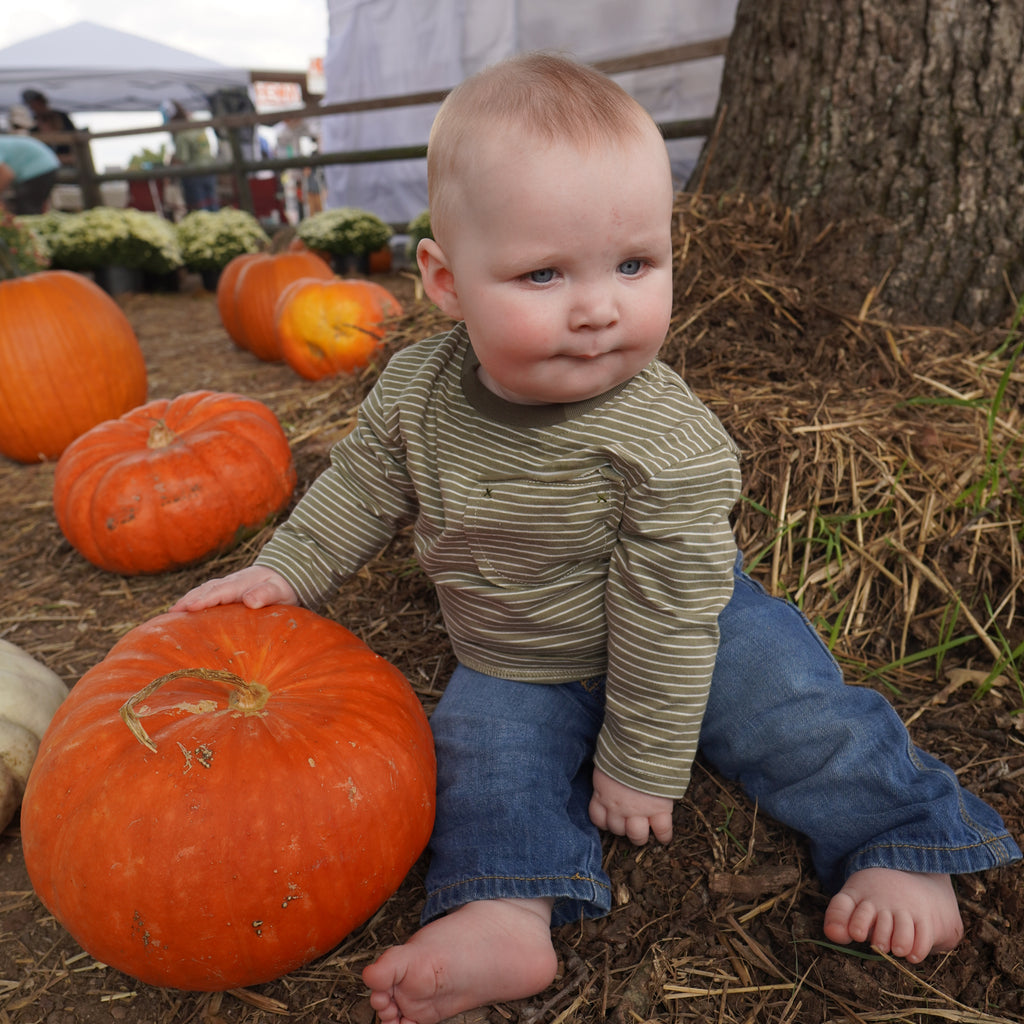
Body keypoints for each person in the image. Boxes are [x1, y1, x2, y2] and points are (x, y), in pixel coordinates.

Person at [172, 53, 1021, 1024]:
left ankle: (905, 839)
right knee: (478, 757)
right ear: (446, 283)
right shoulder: (415, 392)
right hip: (516, 649)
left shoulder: (665, 439)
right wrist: (285, 571)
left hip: (698, 627)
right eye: (542, 273)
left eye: (633, 265)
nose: (597, 306)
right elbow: (360, 489)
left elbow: (665, 608)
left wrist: (642, 758)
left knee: (795, 707)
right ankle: (503, 908)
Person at [161, 100, 220, 213]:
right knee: (212, 204)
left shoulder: (182, 135)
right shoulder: (196, 123)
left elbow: (182, 159)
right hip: (210, 169)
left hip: (194, 175)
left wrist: (169, 169)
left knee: (199, 208)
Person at [0, 133, 60, 214]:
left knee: (27, 209)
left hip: (39, 168)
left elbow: (7, 175)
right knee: (32, 206)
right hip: (47, 165)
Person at [21, 89, 76, 166]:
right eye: (31, 105)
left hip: (68, 164)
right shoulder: (32, 124)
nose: (33, 107)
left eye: (35, 103)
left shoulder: (61, 117)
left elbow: (74, 139)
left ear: (42, 102)